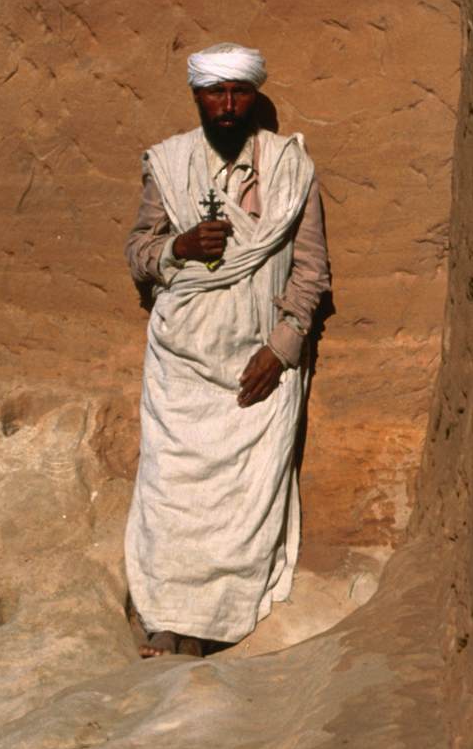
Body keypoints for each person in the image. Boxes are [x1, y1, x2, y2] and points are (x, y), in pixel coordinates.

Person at [122, 42, 331, 658]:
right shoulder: (169, 164)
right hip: (181, 361)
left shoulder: (291, 169)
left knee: (242, 498)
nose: (229, 105)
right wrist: (177, 247)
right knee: (172, 494)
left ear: (253, 95)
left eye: (239, 93)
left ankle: (215, 626)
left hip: (255, 361)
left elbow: (311, 270)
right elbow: (138, 250)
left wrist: (283, 348)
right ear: (198, 97)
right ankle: (164, 617)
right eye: (217, 93)